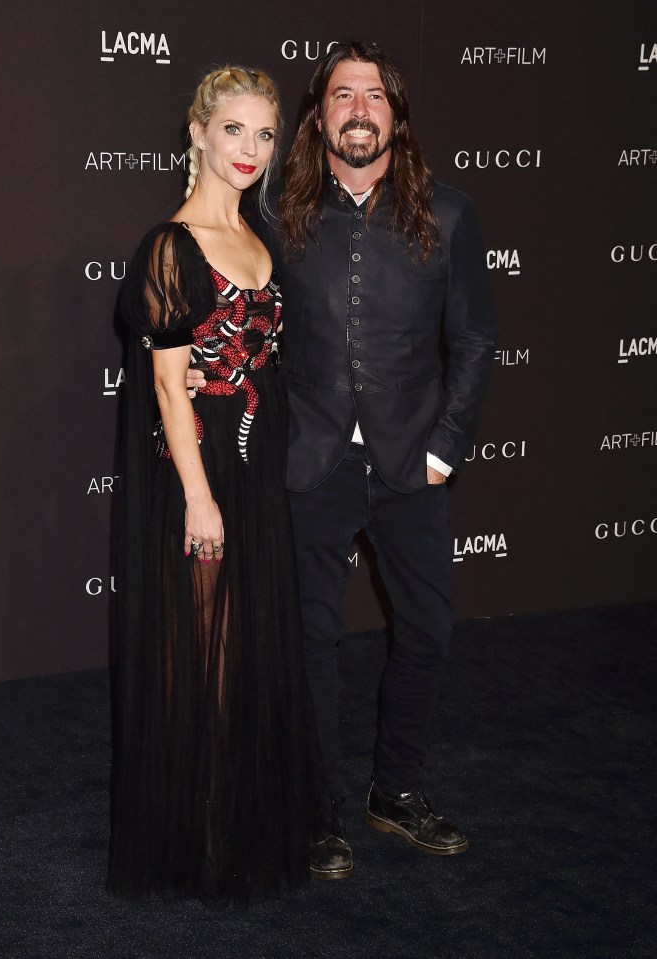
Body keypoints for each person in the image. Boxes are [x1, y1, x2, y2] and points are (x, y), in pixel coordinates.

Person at [188, 40, 496, 880]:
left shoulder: (451, 211)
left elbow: (473, 340)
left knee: (428, 630)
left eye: (373, 96)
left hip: (410, 464)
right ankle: (317, 809)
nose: (357, 109)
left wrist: (445, 449)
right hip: (308, 463)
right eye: (340, 96)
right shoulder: (275, 212)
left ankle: (393, 792)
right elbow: (236, 313)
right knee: (309, 641)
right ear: (318, 115)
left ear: (395, 113)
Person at [107, 66, 322, 903]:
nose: (250, 149)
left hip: (256, 462)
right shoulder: (171, 244)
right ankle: (195, 833)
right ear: (196, 133)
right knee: (205, 647)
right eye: (233, 129)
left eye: (264, 134)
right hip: (198, 472)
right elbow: (167, 386)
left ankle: (235, 819)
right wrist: (199, 497)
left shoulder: (259, 239)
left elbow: (258, 361)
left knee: (248, 648)